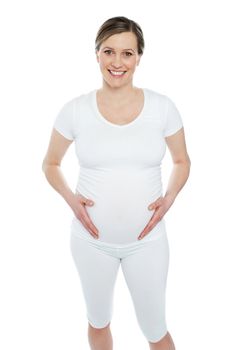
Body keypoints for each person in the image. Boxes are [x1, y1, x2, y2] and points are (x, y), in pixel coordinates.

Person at [42, 16, 191, 350]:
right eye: (109, 52)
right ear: (97, 55)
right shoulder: (75, 111)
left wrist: (169, 199)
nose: (117, 62)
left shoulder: (162, 108)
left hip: (148, 242)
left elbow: (182, 162)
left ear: (139, 57)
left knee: (155, 329)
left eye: (127, 53)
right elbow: (50, 164)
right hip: (91, 241)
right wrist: (71, 200)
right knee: (98, 321)